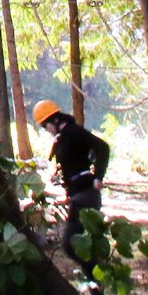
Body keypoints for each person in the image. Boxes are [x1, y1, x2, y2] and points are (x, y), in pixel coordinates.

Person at [34, 99, 111, 268]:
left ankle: (97, 278)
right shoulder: (62, 138)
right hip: (76, 194)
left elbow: (103, 148)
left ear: (54, 120)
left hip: (86, 194)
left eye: (45, 126)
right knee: (77, 245)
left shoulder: (73, 132)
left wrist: (98, 176)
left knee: (72, 244)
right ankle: (95, 283)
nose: (46, 130)